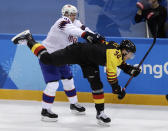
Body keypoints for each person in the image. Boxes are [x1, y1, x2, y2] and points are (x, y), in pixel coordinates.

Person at [11, 30, 141, 126]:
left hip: (89, 61)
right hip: (78, 52)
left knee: (97, 86)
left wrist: (131, 70)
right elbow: (112, 77)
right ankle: (29, 39)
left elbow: (121, 63)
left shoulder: (115, 47)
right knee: (47, 59)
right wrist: (117, 89)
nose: (130, 57)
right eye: (130, 54)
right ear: (124, 51)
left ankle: (100, 114)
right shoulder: (113, 55)